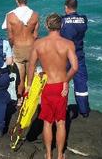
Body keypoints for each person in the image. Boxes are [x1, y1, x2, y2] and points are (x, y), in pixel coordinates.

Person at [26, 13, 78, 159]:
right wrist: (66, 81)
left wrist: (29, 85)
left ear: (47, 26)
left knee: (47, 122)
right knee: (61, 122)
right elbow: (74, 67)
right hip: (61, 86)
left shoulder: (38, 44)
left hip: (46, 86)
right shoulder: (68, 44)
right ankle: (60, 155)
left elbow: (31, 66)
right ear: (61, 25)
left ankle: (48, 154)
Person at [2, 0, 39, 104]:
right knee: (30, 76)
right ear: (26, 0)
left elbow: (10, 37)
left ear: (16, 0)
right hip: (31, 47)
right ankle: (30, 100)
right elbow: (35, 35)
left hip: (18, 47)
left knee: (20, 77)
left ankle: (19, 100)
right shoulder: (35, 15)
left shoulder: (10, 16)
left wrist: (11, 50)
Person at [60, 0, 90, 117]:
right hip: (78, 54)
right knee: (81, 82)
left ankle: (62, 108)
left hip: (65, 55)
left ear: (66, 7)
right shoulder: (83, 19)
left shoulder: (62, 20)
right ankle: (84, 111)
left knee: (63, 81)